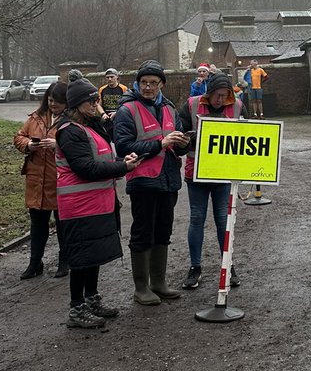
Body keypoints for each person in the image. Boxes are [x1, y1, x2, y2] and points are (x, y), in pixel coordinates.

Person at [55, 78, 140, 330]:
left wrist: (123, 158)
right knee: (81, 259)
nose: (96, 104)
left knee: (93, 256)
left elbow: (102, 157)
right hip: (79, 206)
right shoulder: (69, 130)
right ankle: (76, 308)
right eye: (91, 100)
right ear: (77, 104)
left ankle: (92, 299)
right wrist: (123, 167)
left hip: (96, 203)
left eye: (96, 99)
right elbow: (85, 168)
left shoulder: (89, 126)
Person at [113, 61, 189, 305]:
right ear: (137, 83)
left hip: (168, 180)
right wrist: (160, 144)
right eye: (143, 82)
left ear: (161, 85)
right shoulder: (127, 110)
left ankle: (159, 282)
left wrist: (183, 142)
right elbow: (123, 145)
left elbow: (176, 137)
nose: (147, 87)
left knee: (163, 231)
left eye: (153, 83)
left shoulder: (169, 108)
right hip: (143, 180)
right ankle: (141, 287)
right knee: (143, 232)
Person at [176, 71, 243, 290]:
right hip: (196, 173)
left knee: (223, 220)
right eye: (217, 95)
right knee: (197, 218)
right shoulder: (192, 105)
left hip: (223, 173)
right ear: (209, 92)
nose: (220, 100)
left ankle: (228, 265)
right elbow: (179, 138)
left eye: (224, 95)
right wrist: (187, 139)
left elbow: (246, 136)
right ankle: (195, 268)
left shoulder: (238, 107)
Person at [13, 81, 68, 279]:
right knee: (37, 223)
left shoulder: (71, 120)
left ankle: (65, 261)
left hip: (60, 178)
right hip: (37, 178)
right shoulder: (36, 117)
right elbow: (19, 136)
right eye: (51, 100)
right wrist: (28, 144)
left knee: (63, 223)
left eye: (59, 102)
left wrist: (58, 145)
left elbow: (81, 145)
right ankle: (35, 263)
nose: (54, 105)